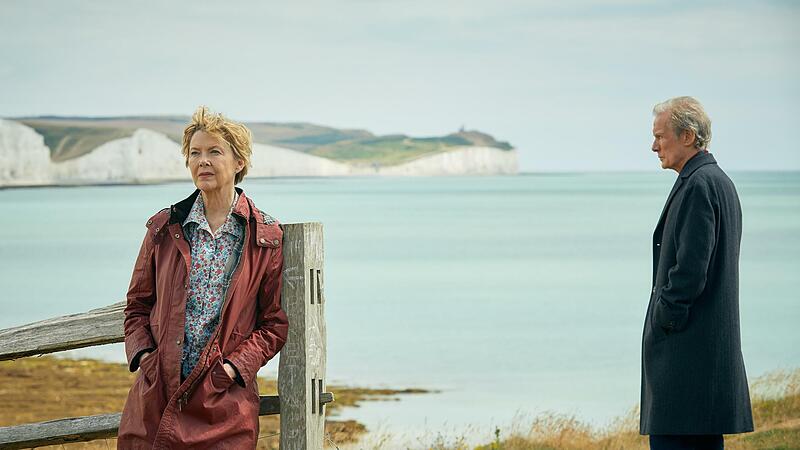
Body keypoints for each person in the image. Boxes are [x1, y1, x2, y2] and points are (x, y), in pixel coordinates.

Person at [118, 106, 289, 449]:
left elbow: (273, 325)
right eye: (195, 153)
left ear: (239, 162)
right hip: (158, 393)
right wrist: (145, 358)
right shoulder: (164, 227)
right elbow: (137, 305)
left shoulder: (264, 235)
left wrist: (232, 369)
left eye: (214, 151)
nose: (203, 161)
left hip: (223, 403)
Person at [640, 96, 754, 450]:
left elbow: (689, 272)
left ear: (687, 136)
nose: (654, 145)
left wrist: (665, 319)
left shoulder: (699, 185)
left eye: (661, 136)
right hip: (703, 360)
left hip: (686, 360)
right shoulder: (716, 181)